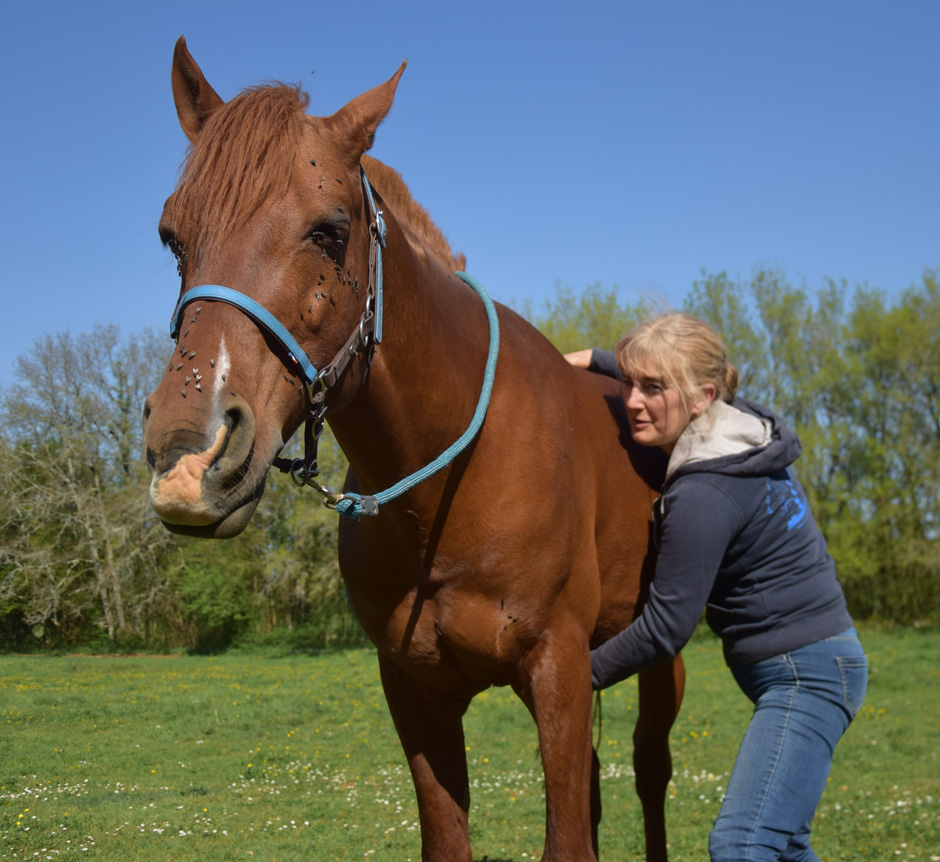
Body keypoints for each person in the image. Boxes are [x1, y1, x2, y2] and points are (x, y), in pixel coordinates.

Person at [566, 312, 867, 862]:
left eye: (652, 389)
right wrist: (585, 361)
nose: (631, 400)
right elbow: (652, 372)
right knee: (785, 845)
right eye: (629, 384)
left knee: (741, 845)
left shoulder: (703, 493)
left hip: (805, 676)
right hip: (823, 661)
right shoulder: (741, 426)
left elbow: (665, 629)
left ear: (703, 396)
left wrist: (575, 676)